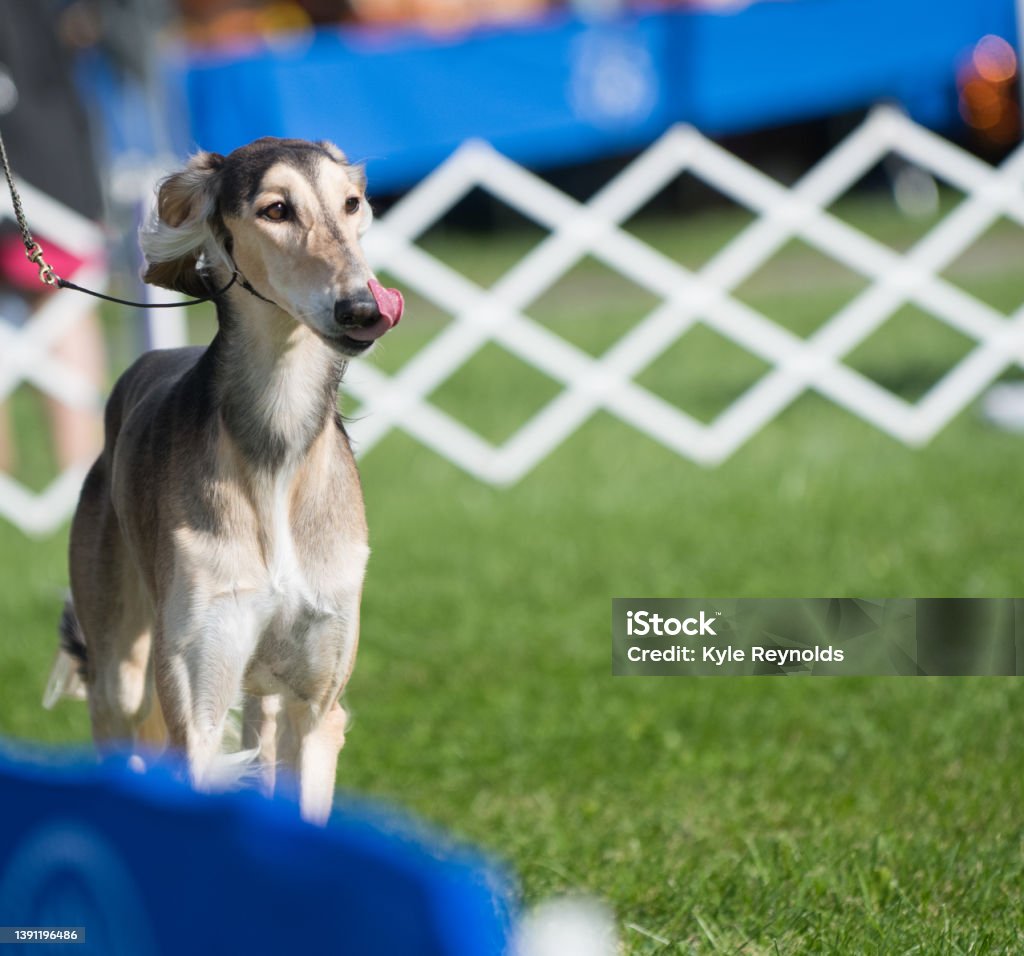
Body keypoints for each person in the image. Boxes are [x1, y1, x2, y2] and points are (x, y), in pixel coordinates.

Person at [0, 0, 107, 479]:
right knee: (62, 301)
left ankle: (85, 479)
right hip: (44, 123)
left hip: (38, 129)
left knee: (60, 294)